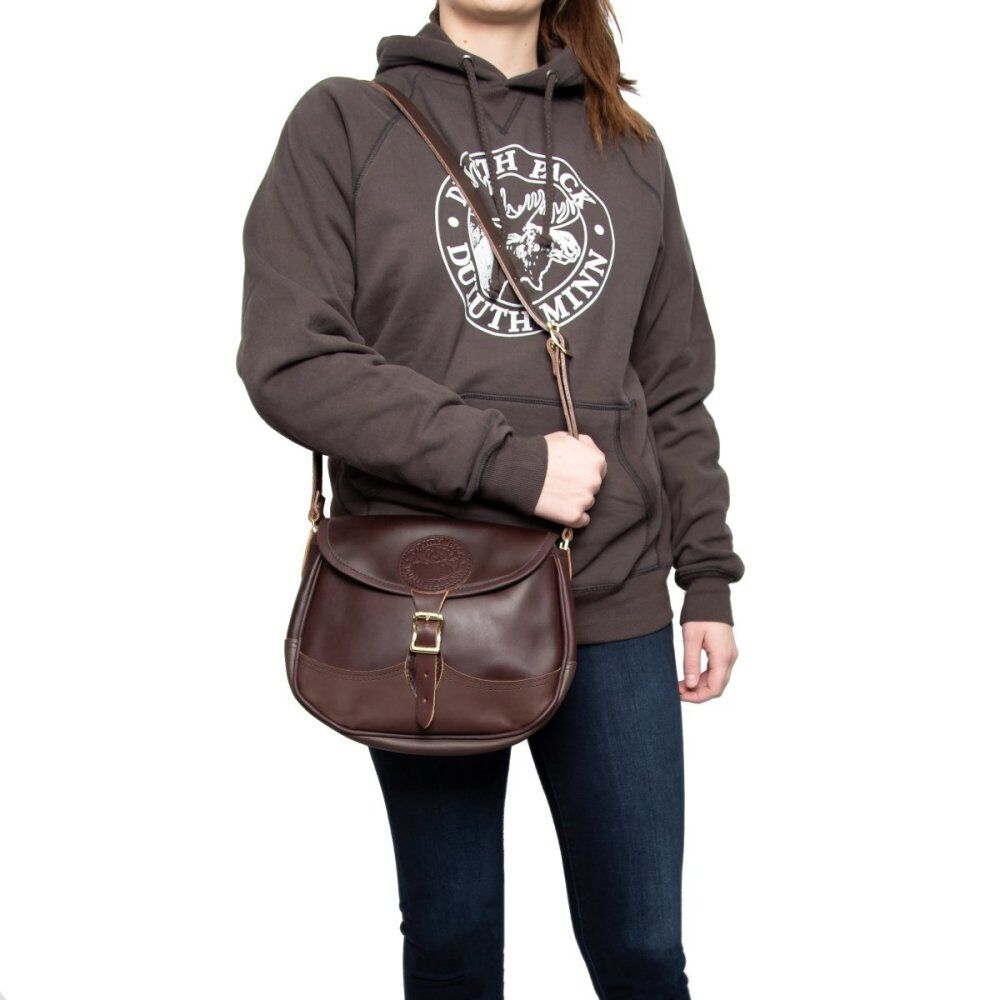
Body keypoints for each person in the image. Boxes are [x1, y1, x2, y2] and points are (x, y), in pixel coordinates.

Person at [237, 1, 744, 996]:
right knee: (454, 937)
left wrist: (709, 576)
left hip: (611, 597)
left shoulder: (629, 151)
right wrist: (510, 464)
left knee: (643, 948)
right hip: (428, 599)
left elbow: (674, 385)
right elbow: (291, 360)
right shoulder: (343, 123)